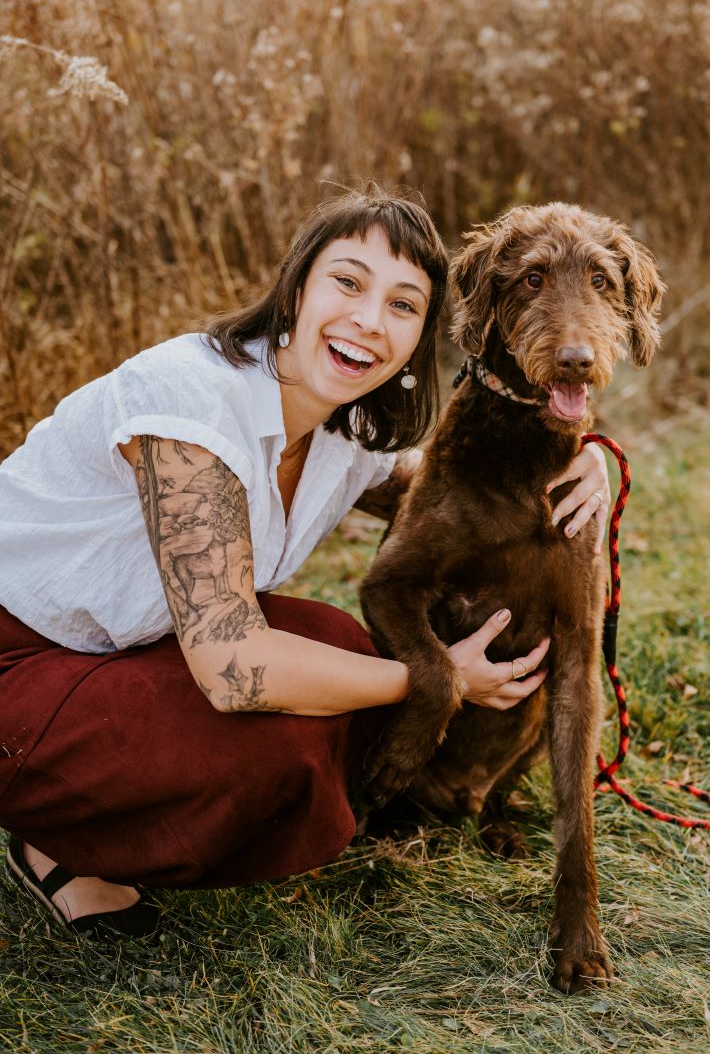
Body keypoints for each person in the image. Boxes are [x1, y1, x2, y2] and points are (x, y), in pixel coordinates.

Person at [0, 185, 610, 940]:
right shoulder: (189, 402)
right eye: (347, 283)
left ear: (422, 337)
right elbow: (231, 667)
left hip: (110, 650)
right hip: (15, 653)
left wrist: (588, 466)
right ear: (294, 288)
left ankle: (82, 799)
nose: (367, 319)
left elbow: (452, 500)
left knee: (342, 655)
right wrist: (440, 679)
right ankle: (55, 834)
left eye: (402, 305)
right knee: (286, 733)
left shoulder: (338, 436)